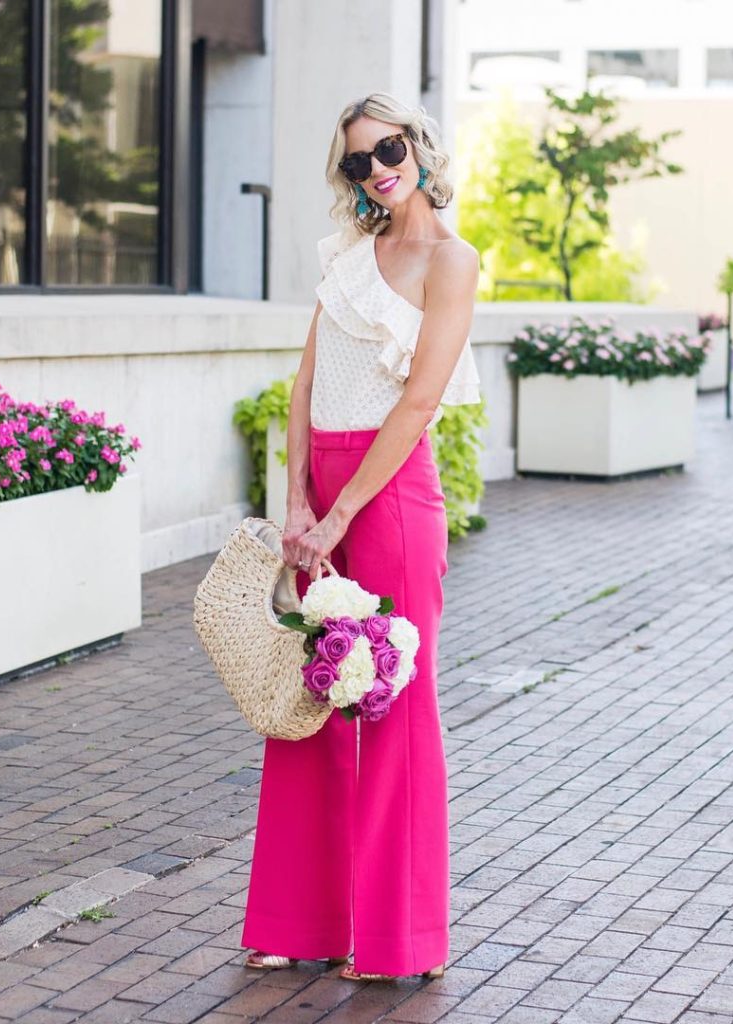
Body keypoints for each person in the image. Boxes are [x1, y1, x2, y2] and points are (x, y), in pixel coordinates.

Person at [241, 92, 482, 982]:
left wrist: (343, 513)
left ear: (417, 147)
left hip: (391, 502)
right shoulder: (348, 256)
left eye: (387, 148)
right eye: (357, 161)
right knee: (306, 709)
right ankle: (302, 924)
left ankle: (397, 945)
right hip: (325, 501)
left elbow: (418, 402)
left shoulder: (452, 262)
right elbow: (307, 382)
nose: (377, 168)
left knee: (392, 709)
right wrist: (298, 500)